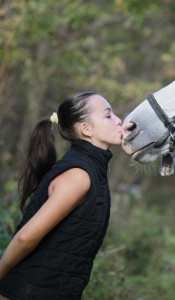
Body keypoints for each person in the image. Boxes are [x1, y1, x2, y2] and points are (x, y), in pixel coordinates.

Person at [0, 91, 122, 299]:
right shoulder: (79, 175)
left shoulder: (91, 169)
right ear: (86, 129)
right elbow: (25, 239)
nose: (118, 120)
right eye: (108, 115)